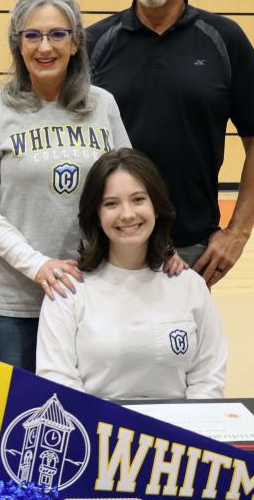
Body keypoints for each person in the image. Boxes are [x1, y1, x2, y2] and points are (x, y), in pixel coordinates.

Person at [0, 0, 134, 388]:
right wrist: (38, 265)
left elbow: (129, 190)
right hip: (11, 304)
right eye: (31, 35)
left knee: (84, 419)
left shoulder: (103, 106)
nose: (44, 47)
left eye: (56, 35)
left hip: (91, 293)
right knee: (21, 425)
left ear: (76, 41)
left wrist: (159, 252)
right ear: (18, 44)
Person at [86, 0, 254, 286]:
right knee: (110, 345)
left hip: (193, 247)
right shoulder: (95, 43)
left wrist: (237, 233)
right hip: (109, 244)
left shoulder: (224, 39)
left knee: (182, 344)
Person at [36, 148, 228, 400]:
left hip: (175, 435)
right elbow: (57, 380)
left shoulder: (190, 285)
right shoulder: (68, 290)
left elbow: (208, 378)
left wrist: (184, 435)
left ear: (156, 207)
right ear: (97, 215)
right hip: (97, 433)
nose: (127, 214)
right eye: (111, 204)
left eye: (138, 199)